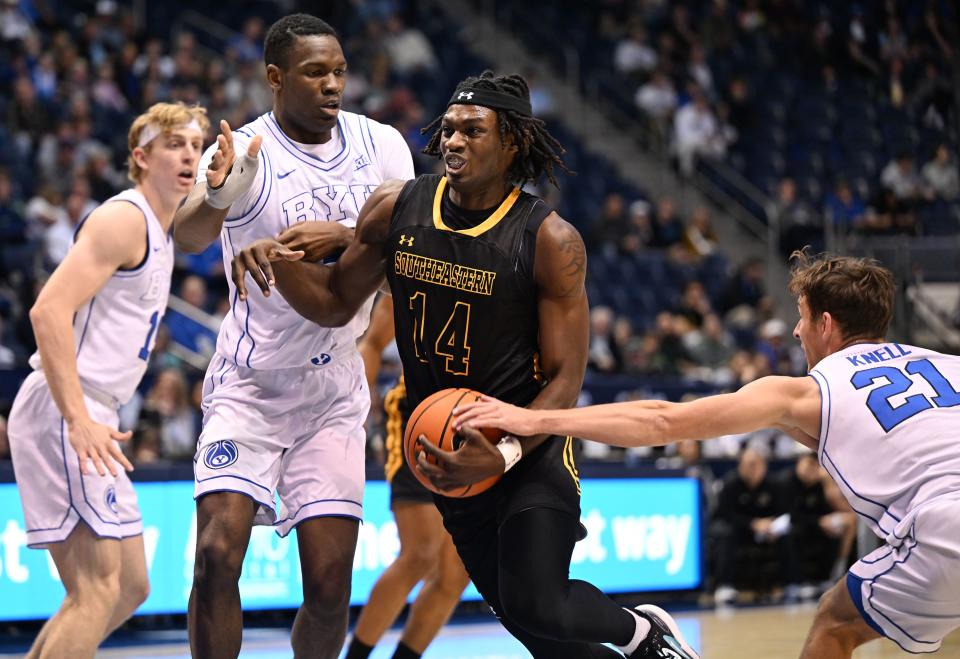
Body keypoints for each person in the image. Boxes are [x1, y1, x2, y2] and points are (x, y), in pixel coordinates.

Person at [231, 70, 700, 659]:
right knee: (543, 637)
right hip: (448, 452)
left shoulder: (551, 240)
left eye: (472, 131)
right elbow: (332, 302)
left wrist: (505, 447)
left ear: (512, 144)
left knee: (540, 602)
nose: (452, 141)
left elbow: (566, 379)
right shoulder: (395, 207)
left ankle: (642, 633)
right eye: (448, 128)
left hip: (528, 450)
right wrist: (269, 250)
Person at [456, 251, 960, 658]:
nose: (795, 332)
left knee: (834, 622)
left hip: (943, 527)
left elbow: (661, 420)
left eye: (802, 319)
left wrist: (535, 419)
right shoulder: (946, 364)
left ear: (826, 324)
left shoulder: (809, 391)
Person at [171, 14, 413, 659]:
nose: (332, 84)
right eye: (315, 72)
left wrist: (342, 237)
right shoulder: (244, 150)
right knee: (216, 556)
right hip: (250, 385)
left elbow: (415, 247)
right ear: (275, 77)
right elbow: (189, 235)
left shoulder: (381, 145)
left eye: (338, 70)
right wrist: (218, 198)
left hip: (335, 387)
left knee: (331, 586)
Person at [6, 102, 208, 658]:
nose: (188, 152)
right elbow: (47, 312)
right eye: (174, 143)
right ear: (140, 158)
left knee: (131, 588)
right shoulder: (124, 219)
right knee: (94, 590)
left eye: (195, 143)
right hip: (68, 408)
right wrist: (78, 420)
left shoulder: (164, 232)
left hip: (98, 412)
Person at [347, 294, 471, 659]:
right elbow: (372, 342)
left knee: (455, 572)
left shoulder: (508, 260)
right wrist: (355, 416)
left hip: (474, 419)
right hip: (421, 417)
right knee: (420, 553)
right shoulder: (422, 253)